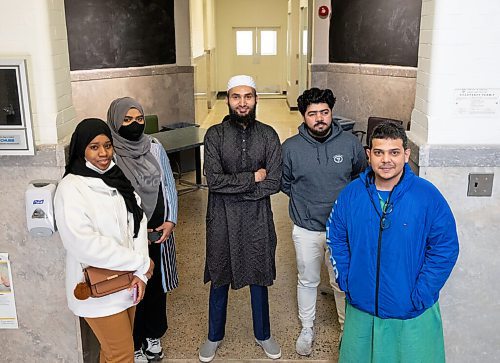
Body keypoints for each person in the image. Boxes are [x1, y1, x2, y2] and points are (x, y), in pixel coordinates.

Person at [326, 121, 459, 362]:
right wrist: (347, 278)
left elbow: (445, 248)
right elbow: (335, 236)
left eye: (394, 152)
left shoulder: (427, 196)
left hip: (409, 312)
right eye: (379, 152)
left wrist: (421, 293)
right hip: (362, 307)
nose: (386, 160)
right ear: (369, 155)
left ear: (406, 155)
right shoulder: (351, 194)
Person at [54, 118, 154, 363]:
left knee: (112, 353)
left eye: (107, 146)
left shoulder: (116, 178)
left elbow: (138, 223)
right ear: (82, 150)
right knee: (122, 355)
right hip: (97, 288)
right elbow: (84, 244)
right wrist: (138, 263)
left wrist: (140, 272)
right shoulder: (71, 188)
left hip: (127, 282)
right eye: (94, 147)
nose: (103, 153)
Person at [198, 75, 282, 362]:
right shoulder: (214, 135)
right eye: (236, 97)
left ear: (256, 99)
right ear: (228, 100)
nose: (242, 102)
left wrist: (235, 189)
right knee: (220, 273)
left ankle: (264, 333)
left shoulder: (269, 135)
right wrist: (252, 179)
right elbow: (214, 181)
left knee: (259, 273)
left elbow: (274, 182)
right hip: (221, 220)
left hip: (258, 218)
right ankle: (213, 336)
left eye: (248, 97)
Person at [281, 88, 366, 355]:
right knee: (307, 280)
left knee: (341, 282)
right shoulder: (291, 148)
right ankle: (307, 327)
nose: (320, 118)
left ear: (332, 113)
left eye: (324, 112)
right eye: (313, 114)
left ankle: (345, 330)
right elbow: (285, 183)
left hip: (342, 230)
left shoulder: (350, 143)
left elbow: (359, 176)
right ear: (304, 116)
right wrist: (306, 203)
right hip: (306, 228)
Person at [107, 97, 179, 363]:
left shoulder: (155, 146)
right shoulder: (110, 152)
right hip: (128, 237)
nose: (134, 125)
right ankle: (134, 342)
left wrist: (171, 220)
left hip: (159, 233)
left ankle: (153, 335)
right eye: (126, 120)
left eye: (139, 119)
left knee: (156, 284)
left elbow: (168, 185)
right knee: (131, 287)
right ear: (115, 121)